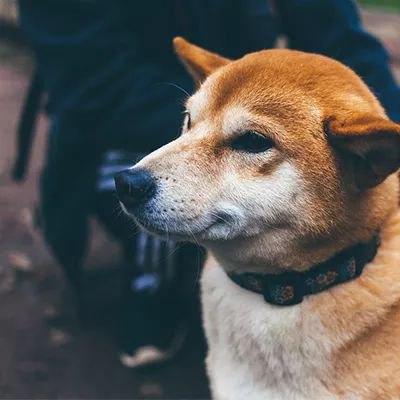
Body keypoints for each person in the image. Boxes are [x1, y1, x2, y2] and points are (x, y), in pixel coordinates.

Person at [17, 0, 400, 367]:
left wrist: (382, 140)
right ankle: (153, 287)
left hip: (231, 101)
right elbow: (96, 90)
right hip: (111, 131)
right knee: (151, 196)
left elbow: (341, 36)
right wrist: (224, 111)